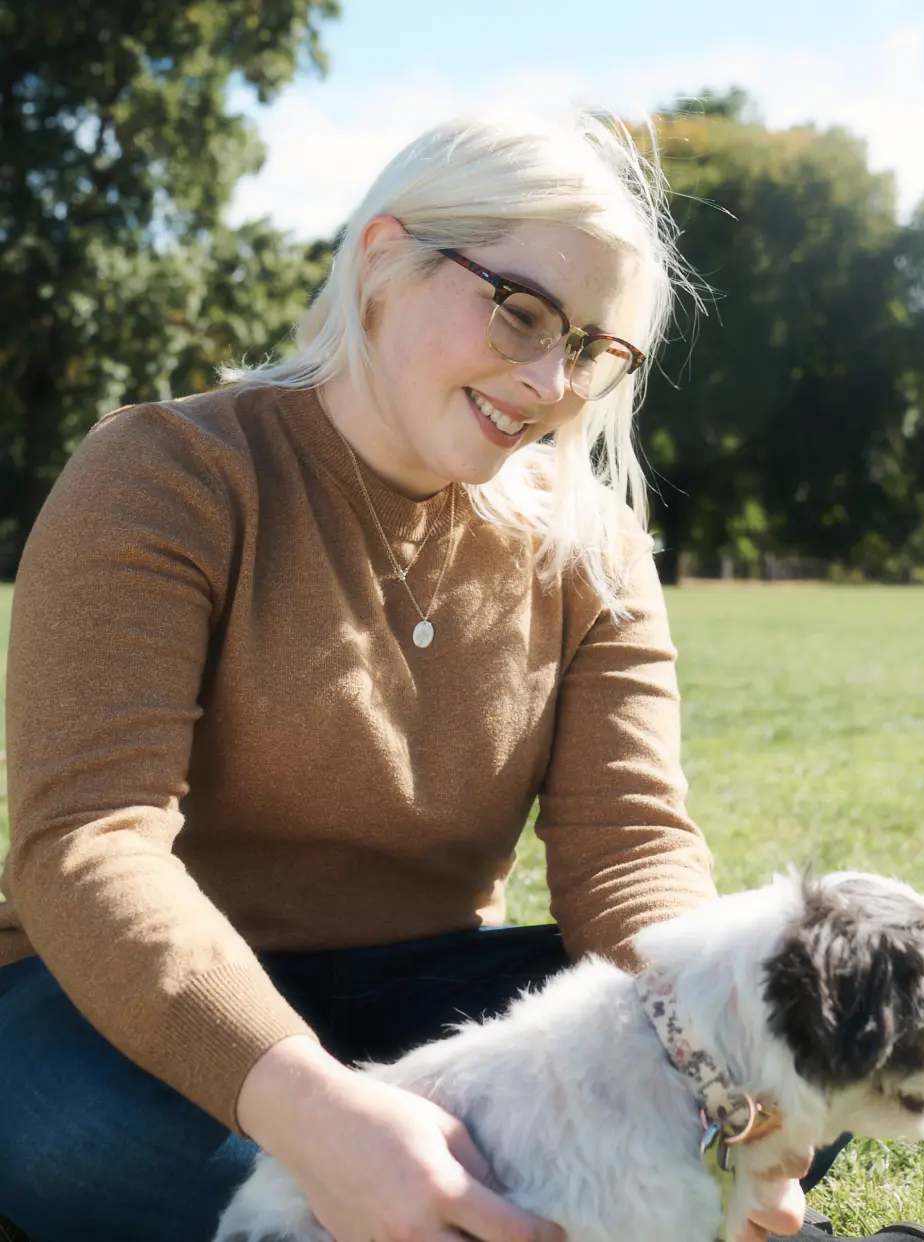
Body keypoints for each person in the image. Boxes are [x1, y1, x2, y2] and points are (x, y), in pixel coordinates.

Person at [0, 109, 829, 1242]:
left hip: (426, 1001)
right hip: (120, 1013)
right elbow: (90, 842)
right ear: (384, 255)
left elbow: (629, 847)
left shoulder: (592, 546)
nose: (548, 380)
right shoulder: (165, 474)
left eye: (588, 348)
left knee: (780, 1025)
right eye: (522, 310)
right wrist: (320, 1117)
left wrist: (716, 1078)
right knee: (68, 1142)